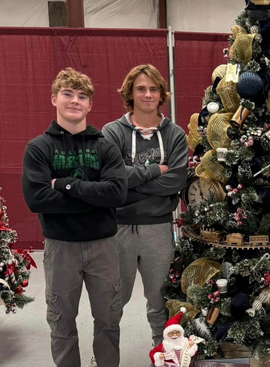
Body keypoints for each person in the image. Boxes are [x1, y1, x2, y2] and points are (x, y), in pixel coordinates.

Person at [22, 68, 127, 367]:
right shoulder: (39, 148)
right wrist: (94, 197)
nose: (74, 101)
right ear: (54, 98)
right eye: (68, 94)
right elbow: (37, 199)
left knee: (109, 319)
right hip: (61, 246)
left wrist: (66, 185)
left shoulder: (105, 146)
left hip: (104, 247)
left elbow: (117, 194)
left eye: (82, 96)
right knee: (61, 321)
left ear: (90, 105)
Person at [102, 64, 188, 348]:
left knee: (160, 297)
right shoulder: (112, 132)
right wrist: (154, 172)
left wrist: (129, 185)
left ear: (161, 94)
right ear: (130, 93)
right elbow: (111, 178)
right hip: (119, 229)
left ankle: (162, 352)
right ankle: (105, 355)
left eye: (153, 89)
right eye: (141, 89)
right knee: (113, 297)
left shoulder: (174, 134)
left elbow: (175, 180)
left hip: (159, 229)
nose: (148, 94)